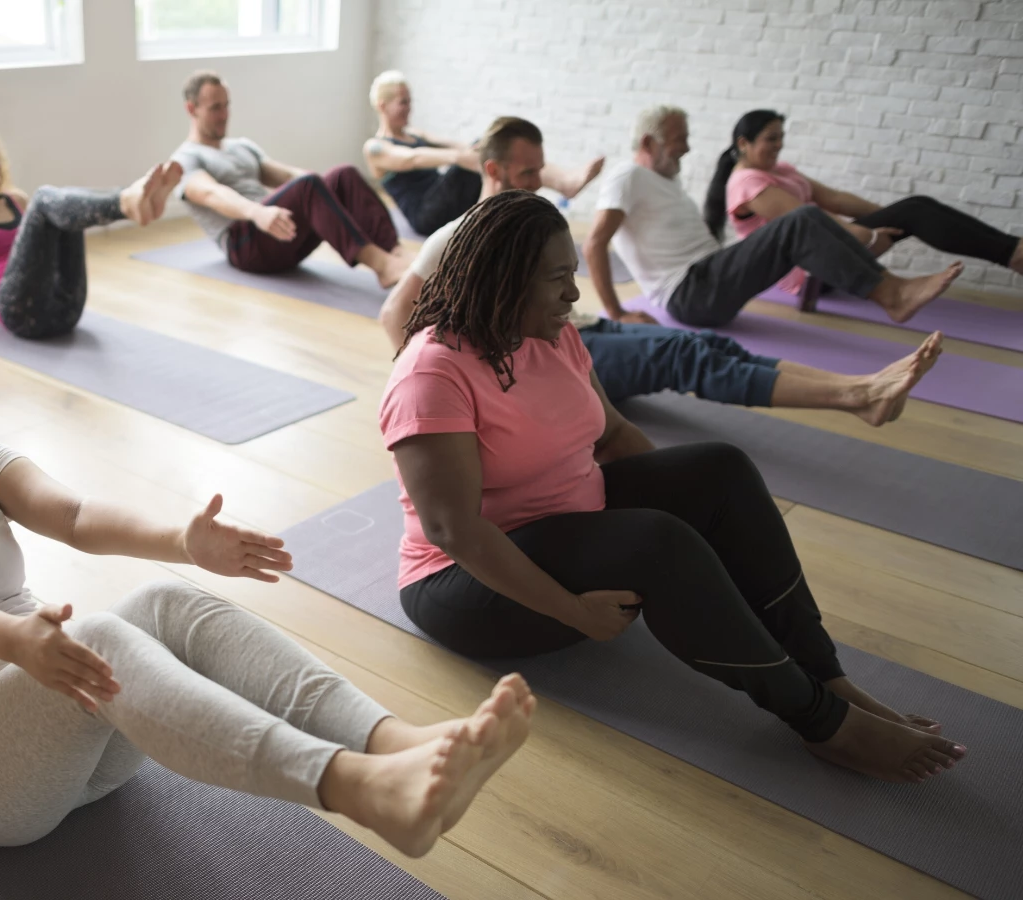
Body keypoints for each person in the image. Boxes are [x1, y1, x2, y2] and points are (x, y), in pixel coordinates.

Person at [0, 298, 537, 856]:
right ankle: (357, 789)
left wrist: (185, 540)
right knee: (95, 637)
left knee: (169, 600)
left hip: (78, 738)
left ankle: (396, 744)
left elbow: (73, 517)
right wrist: (15, 640)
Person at [383, 190, 966, 784]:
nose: (574, 294)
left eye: (573, 274)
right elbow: (454, 530)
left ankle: (826, 673)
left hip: (566, 526)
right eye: (557, 279)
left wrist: (698, 514)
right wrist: (576, 612)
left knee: (719, 468)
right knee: (656, 542)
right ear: (503, 281)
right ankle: (824, 722)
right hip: (466, 583)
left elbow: (611, 433)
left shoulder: (554, 336)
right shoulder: (433, 372)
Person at [379, 118, 942, 427]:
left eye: (541, 170)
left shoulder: (517, 219)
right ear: (496, 169)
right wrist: (463, 395)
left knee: (706, 345)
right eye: (529, 172)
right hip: (548, 355)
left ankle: (860, 388)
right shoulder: (461, 233)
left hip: (579, 333)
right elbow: (395, 315)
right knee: (687, 356)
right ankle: (855, 398)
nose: (539, 179)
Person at [583, 106, 962, 329]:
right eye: (679, 138)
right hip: (690, 293)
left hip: (709, 279)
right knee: (799, 221)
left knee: (804, 221)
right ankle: (892, 293)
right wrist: (616, 312)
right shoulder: (626, 176)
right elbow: (595, 241)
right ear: (649, 144)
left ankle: (887, 286)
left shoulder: (665, 181)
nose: (687, 146)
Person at [0, 121, 184, 339]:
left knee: (61, 208)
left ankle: (133, 201)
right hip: (20, 314)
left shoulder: (15, 201)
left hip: (65, 309)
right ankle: (126, 201)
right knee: (46, 199)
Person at [705, 108, 1023, 298]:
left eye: (780, 136)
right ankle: (1014, 253)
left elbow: (834, 199)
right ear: (743, 144)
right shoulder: (748, 184)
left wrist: (888, 215)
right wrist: (866, 235)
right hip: (806, 270)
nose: (779, 144)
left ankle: (1013, 252)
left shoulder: (778, 169)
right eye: (770, 138)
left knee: (916, 207)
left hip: (825, 249)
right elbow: (806, 223)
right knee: (915, 210)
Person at [172, 70, 414, 289]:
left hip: (279, 228)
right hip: (246, 245)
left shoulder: (240, 146)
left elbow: (287, 177)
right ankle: (383, 266)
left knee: (343, 175)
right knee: (308, 185)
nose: (225, 115)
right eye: (215, 108)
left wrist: (327, 194)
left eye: (227, 105)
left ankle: (396, 254)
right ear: (191, 109)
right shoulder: (186, 159)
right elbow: (212, 194)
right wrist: (257, 212)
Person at [363, 71, 603, 237]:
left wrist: (478, 150)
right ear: (383, 106)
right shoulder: (376, 147)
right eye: (402, 102)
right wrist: (460, 157)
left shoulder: (414, 133)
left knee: (489, 146)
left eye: (409, 101)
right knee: (485, 151)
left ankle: (561, 181)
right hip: (425, 215)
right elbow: (412, 158)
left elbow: (455, 146)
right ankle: (563, 184)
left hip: (444, 198)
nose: (409, 107)